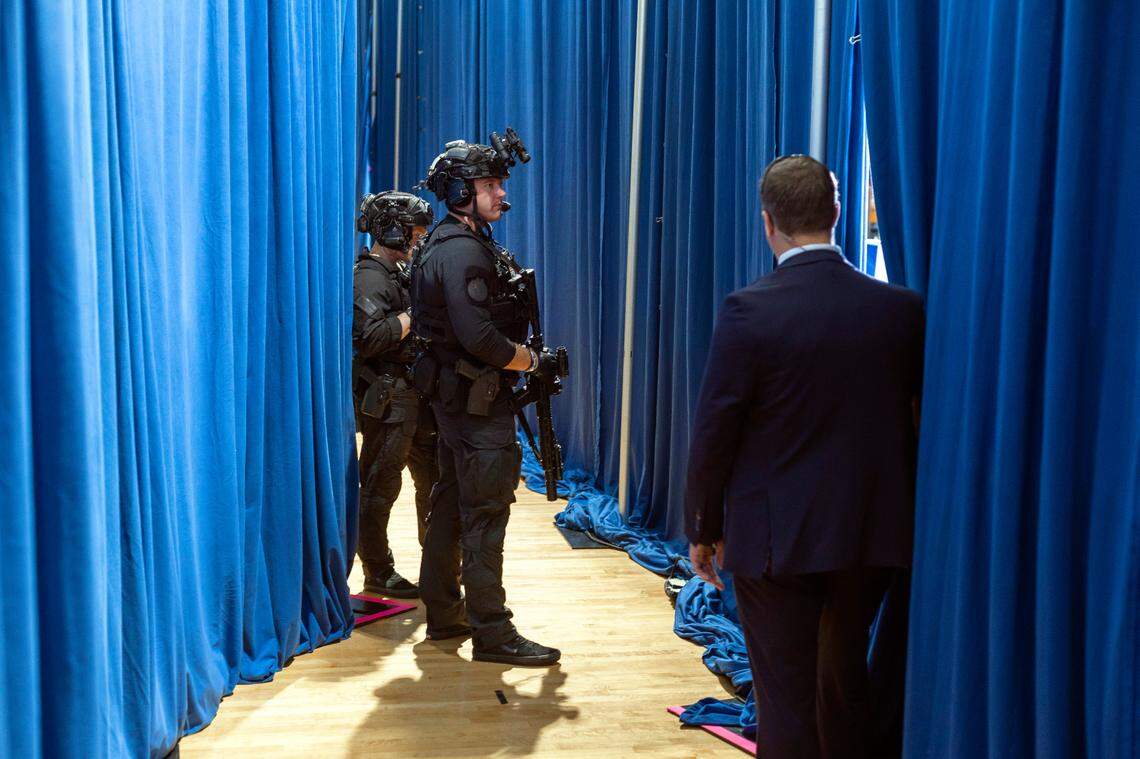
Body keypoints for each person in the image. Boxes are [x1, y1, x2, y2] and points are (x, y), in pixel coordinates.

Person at [683, 155, 924, 758]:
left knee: (786, 698)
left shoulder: (749, 310)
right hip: (870, 537)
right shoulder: (901, 310)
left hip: (774, 543)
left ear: (768, 222)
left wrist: (702, 530)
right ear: (837, 213)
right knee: (843, 683)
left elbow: (716, 431)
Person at [409, 137, 562, 666]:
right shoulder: (462, 250)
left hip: (457, 401)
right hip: (475, 407)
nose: (501, 194)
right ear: (458, 192)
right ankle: (492, 632)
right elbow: (480, 339)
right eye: (490, 186)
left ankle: (446, 614)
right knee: (484, 514)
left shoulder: (454, 240)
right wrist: (532, 362)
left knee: (450, 505)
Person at [352, 191, 440, 599]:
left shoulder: (398, 274)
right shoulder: (369, 275)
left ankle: (438, 564)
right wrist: (415, 314)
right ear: (392, 229)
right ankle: (377, 571)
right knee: (379, 487)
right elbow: (371, 338)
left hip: (413, 396)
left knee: (433, 482)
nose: (419, 241)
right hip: (389, 400)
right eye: (415, 232)